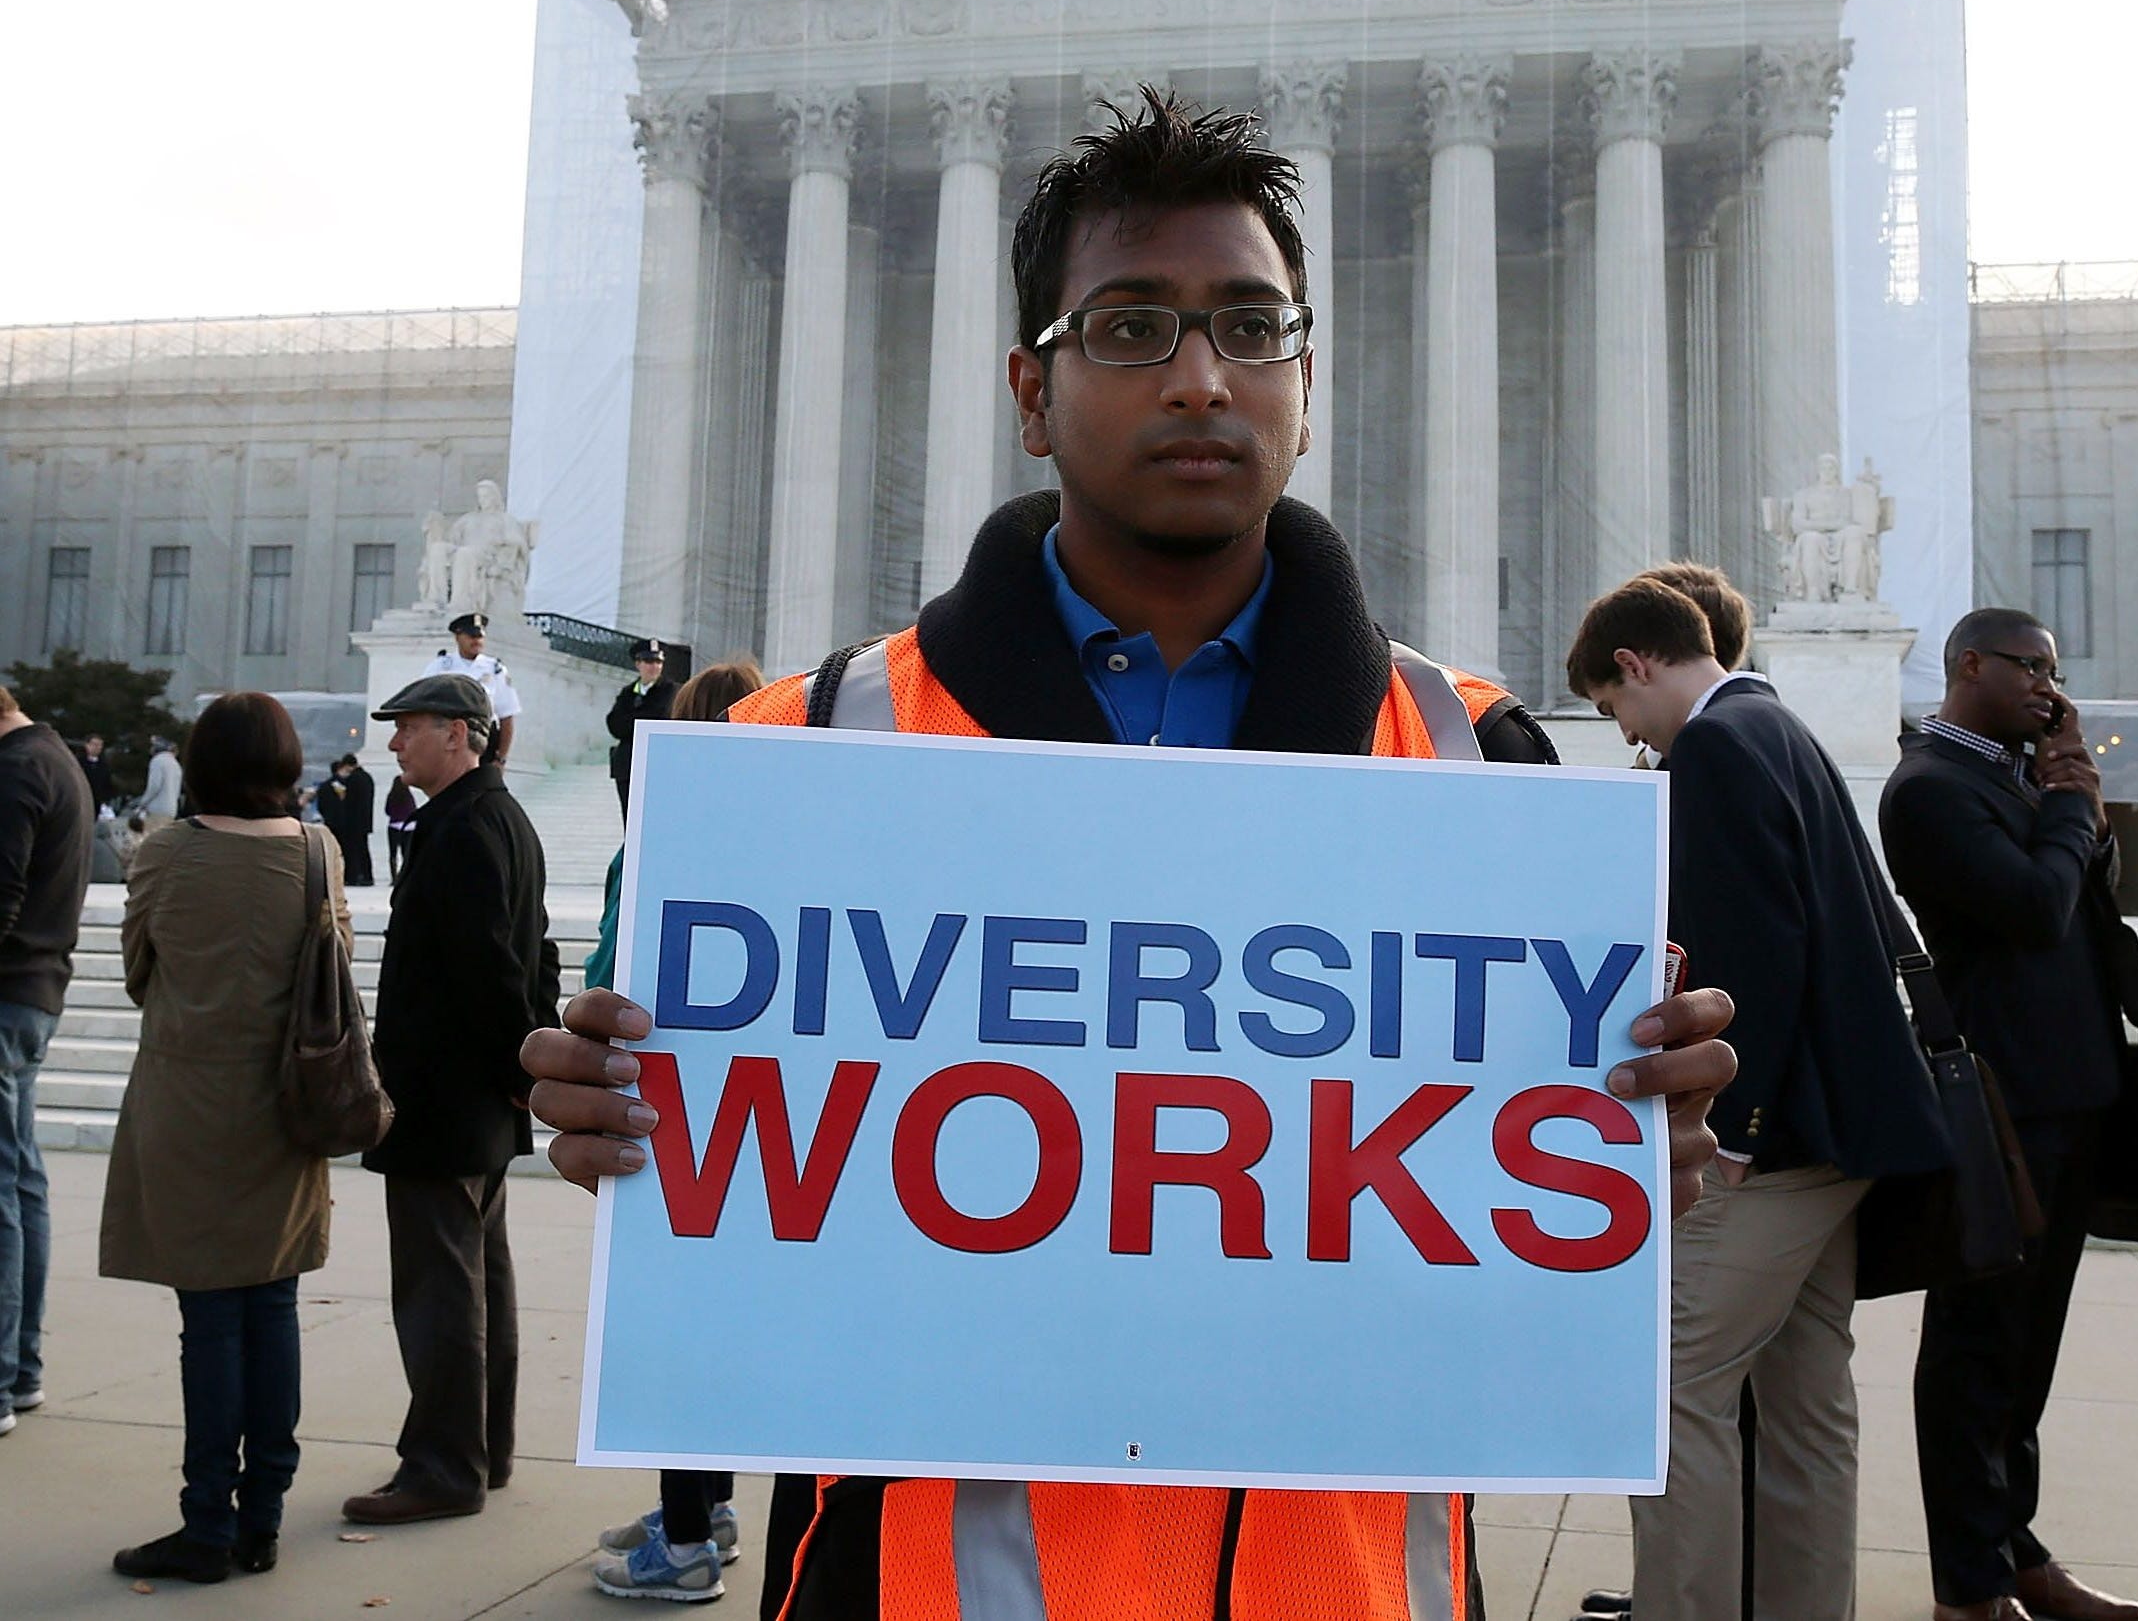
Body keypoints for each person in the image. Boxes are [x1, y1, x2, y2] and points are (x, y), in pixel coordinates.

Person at [523, 91, 1738, 1621]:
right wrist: (617, 1102)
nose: (1198, 379)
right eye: (1129, 330)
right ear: (1030, 393)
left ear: (1306, 381)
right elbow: (734, 1135)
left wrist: (1624, 1140)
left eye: (1250, 329)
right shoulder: (808, 743)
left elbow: (1500, 1193)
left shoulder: (1470, 755)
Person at [1566, 575, 1949, 1621]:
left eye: (1614, 708)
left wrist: (1728, 1133)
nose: (1627, 734)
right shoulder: (1777, 724)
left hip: (1771, 1144)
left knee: (1673, 1392)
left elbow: (1751, 961)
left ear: (1636, 665)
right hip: (1845, 1132)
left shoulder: (1718, 749)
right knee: (1805, 1409)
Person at [1879, 609, 2138, 1621]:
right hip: (2001, 1103)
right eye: (2028, 666)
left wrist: (2072, 798)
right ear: (1968, 667)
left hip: (2071, 1092)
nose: (2047, 684)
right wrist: (2074, 801)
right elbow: (2035, 905)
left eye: (2055, 668)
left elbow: (2088, 897)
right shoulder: (1930, 789)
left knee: (2028, 1351)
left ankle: (2017, 1549)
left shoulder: (2014, 779)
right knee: (1976, 1348)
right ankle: (1971, 1586)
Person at [100, 692, 348, 1584]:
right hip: (287, 1111)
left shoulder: (167, 852)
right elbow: (335, 977)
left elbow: (138, 971)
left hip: (188, 1106)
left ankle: (206, 1519)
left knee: (207, 1320)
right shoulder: (320, 851)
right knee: (271, 1308)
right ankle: (263, 1519)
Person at [343, 672, 552, 1524]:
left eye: (410, 728)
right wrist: (523, 1070)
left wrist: (513, 1065)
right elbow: (534, 961)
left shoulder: (465, 827)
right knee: (478, 1284)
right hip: (480, 1101)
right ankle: (482, 1451)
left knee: (439, 1291)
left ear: (461, 735)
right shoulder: (497, 819)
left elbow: (491, 972)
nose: (395, 744)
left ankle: (442, 1467)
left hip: (445, 1099)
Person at [588, 657, 763, 1604]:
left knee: (678, 1337)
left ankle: (687, 1543)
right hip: (760, 1129)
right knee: (722, 1334)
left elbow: (614, 972)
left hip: (677, 1121)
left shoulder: (665, 835)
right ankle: (709, 1512)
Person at [0, 679, 95, 1438]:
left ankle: (3, 1379)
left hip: (8, 993)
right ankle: (20, 1370)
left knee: (5, 1187)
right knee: (20, 1179)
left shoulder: (16, 769)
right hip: (35, 990)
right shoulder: (54, 759)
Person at [422, 612, 523, 769]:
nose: (476, 641)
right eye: (471, 636)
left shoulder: (495, 669)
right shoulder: (440, 666)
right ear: (457, 637)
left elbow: (507, 716)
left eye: (480, 637)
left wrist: (501, 758)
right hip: (449, 737)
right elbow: (422, 706)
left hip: (484, 740)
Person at [604, 638, 678, 820]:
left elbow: (659, 717)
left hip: (655, 762)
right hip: (627, 765)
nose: (654, 666)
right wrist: (639, 719)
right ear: (638, 664)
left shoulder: (670, 690)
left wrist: (632, 719)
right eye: (649, 661)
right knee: (629, 819)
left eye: (658, 662)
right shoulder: (628, 693)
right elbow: (614, 724)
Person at [334, 753, 377, 888]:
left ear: (347, 765)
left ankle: (354, 876)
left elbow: (349, 802)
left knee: (352, 851)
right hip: (365, 820)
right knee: (363, 849)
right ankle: (367, 875)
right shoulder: (367, 777)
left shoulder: (353, 779)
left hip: (353, 822)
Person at [132, 734, 183, 825]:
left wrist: (142, 803)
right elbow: (177, 792)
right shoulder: (176, 764)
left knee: (152, 837)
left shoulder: (157, 761)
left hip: (156, 809)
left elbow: (154, 786)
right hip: (171, 809)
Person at [384, 773, 418, 882]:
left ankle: (394, 878)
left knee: (393, 853)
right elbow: (413, 810)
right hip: (408, 827)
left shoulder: (392, 796)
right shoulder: (409, 796)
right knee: (406, 853)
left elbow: (387, 810)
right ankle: (405, 876)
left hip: (394, 825)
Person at [77, 734, 114, 814]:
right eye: (95, 744)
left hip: (99, 802)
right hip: (83, 800)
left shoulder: (104, 764)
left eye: (100, 745)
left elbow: (107, 783)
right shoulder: (78, 763)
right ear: (87, 745)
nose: (98, 747)